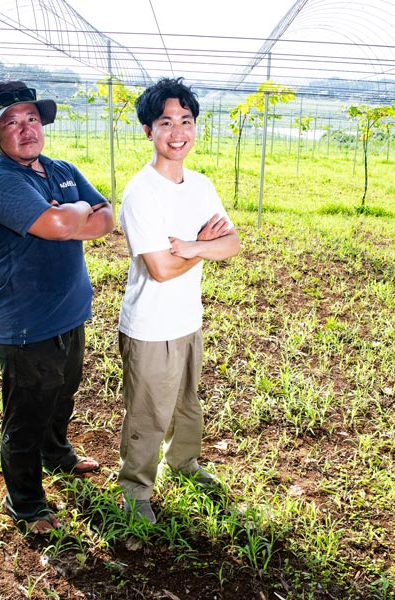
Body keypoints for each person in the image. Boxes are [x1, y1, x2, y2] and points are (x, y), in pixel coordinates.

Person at [0, 80, 114, 534]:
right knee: (26, 415)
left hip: (70, 311)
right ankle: (26, 502)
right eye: (11, 122)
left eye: (31, 117)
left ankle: (57, 453)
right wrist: (72, 215)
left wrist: (68, 214)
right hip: (27, 323)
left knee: (63, 392)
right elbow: (54, 225)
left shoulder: (61, 169)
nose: (25, 128)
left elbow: (107, 216)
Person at [116, 77, 240, 524]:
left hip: (188, 318)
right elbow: (160, 269)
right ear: (148, 131)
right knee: (149, 412)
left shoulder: (201, 185)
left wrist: (192, 245)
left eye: (186, 121)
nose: (177, 131)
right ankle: (134, 489)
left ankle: (184, 462)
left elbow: (232, 243)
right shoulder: (140, 192)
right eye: (165, 122)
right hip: (149, 324)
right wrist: (198, 247)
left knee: (187, 402)